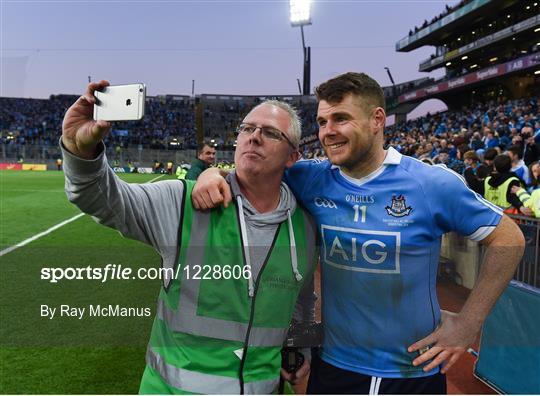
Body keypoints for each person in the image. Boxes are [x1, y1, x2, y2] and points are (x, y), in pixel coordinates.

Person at [192, 72, 525, 394]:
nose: (327, 132)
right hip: (334, 367)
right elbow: (253, 171)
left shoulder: (430, 184)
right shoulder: (311, 178)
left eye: (340, 119)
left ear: (377, 119)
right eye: (322, 122)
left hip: (411, 372)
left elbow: (509, 238)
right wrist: (213, 174)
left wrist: (469, 323)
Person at [60, 80, 318, 394]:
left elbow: (301, 301)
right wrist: (80, 150)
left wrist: (298, 346)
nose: (254, 137)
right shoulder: (183, 202)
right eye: (247, 128)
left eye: (271, 132)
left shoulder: (304, 226)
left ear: (293, 157)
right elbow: (102, 199)